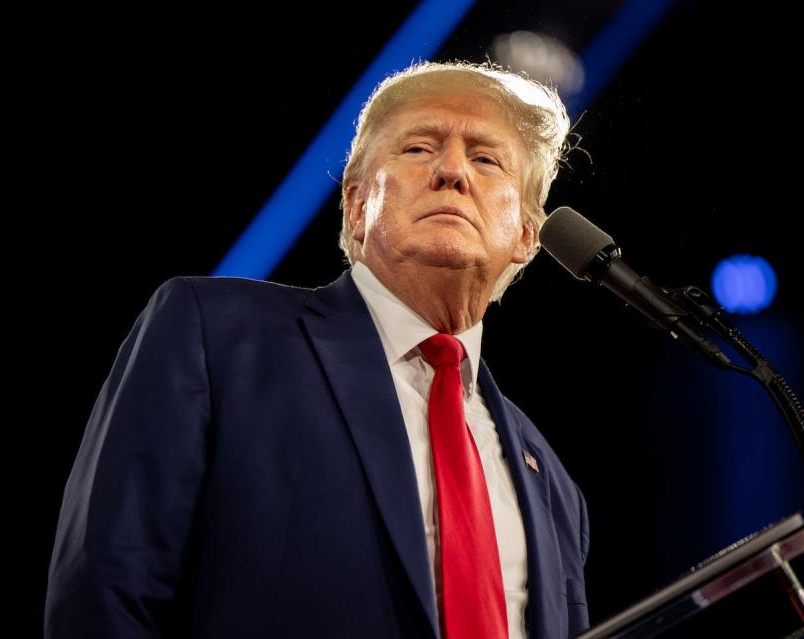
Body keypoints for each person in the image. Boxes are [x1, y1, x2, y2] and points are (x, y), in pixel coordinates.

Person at [45, 60, 589, 639]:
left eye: (485, 158)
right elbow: (104, 590)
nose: (452, 170)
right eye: (417, 149)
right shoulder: (217, 335)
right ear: (357, 206)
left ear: (527, 235)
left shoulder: (552, 483)